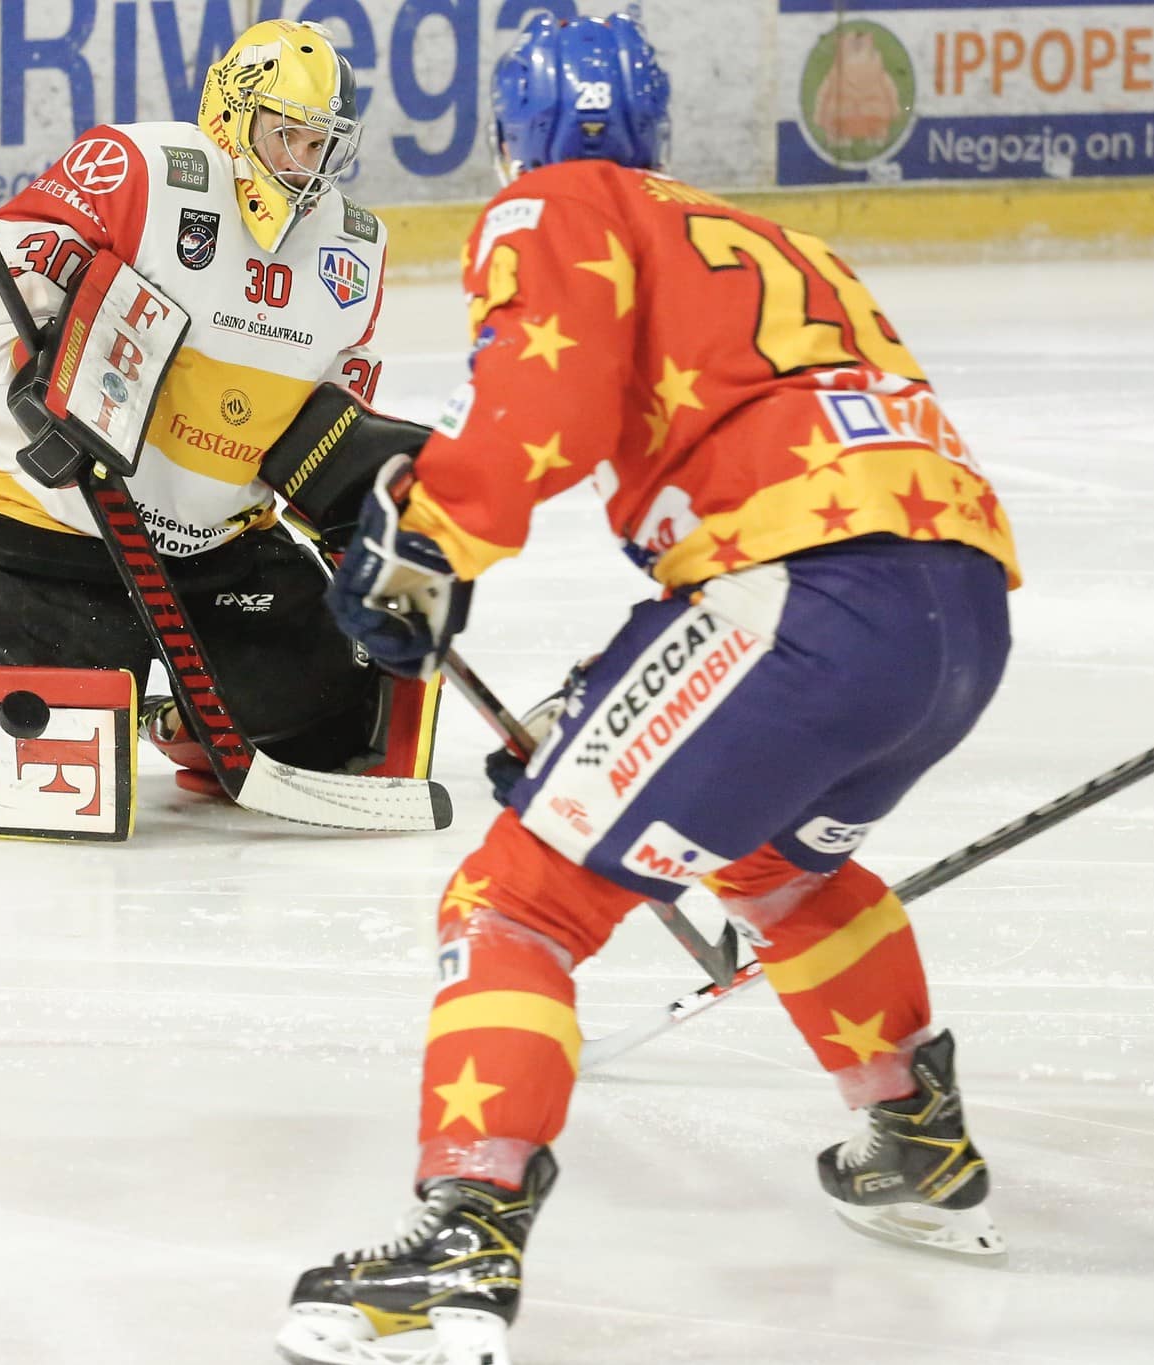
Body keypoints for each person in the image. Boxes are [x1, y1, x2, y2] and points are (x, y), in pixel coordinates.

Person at [277, 12, 1022, 1363]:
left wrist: (424, 542)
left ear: (514, 134)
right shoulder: (772, 241)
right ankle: (914, 1134)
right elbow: (788, 479)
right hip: (954, 611)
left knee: (515, 904)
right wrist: (594, 707)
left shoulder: (557, 203)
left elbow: (545, 410)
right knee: (769, 861)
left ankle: (462, 1239)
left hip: (801, 604)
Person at [0, 19, 431, 783]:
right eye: (288, 137)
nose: (306, 166)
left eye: (322, 145)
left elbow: (329, 425)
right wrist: (43, 349)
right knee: (59, 747)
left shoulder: (355, 249)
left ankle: (187, 720)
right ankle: (109, 689)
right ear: (235, 115)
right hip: (55, 523)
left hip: (219, 549)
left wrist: (355, 506)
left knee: (334, 720)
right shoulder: (140, 168)